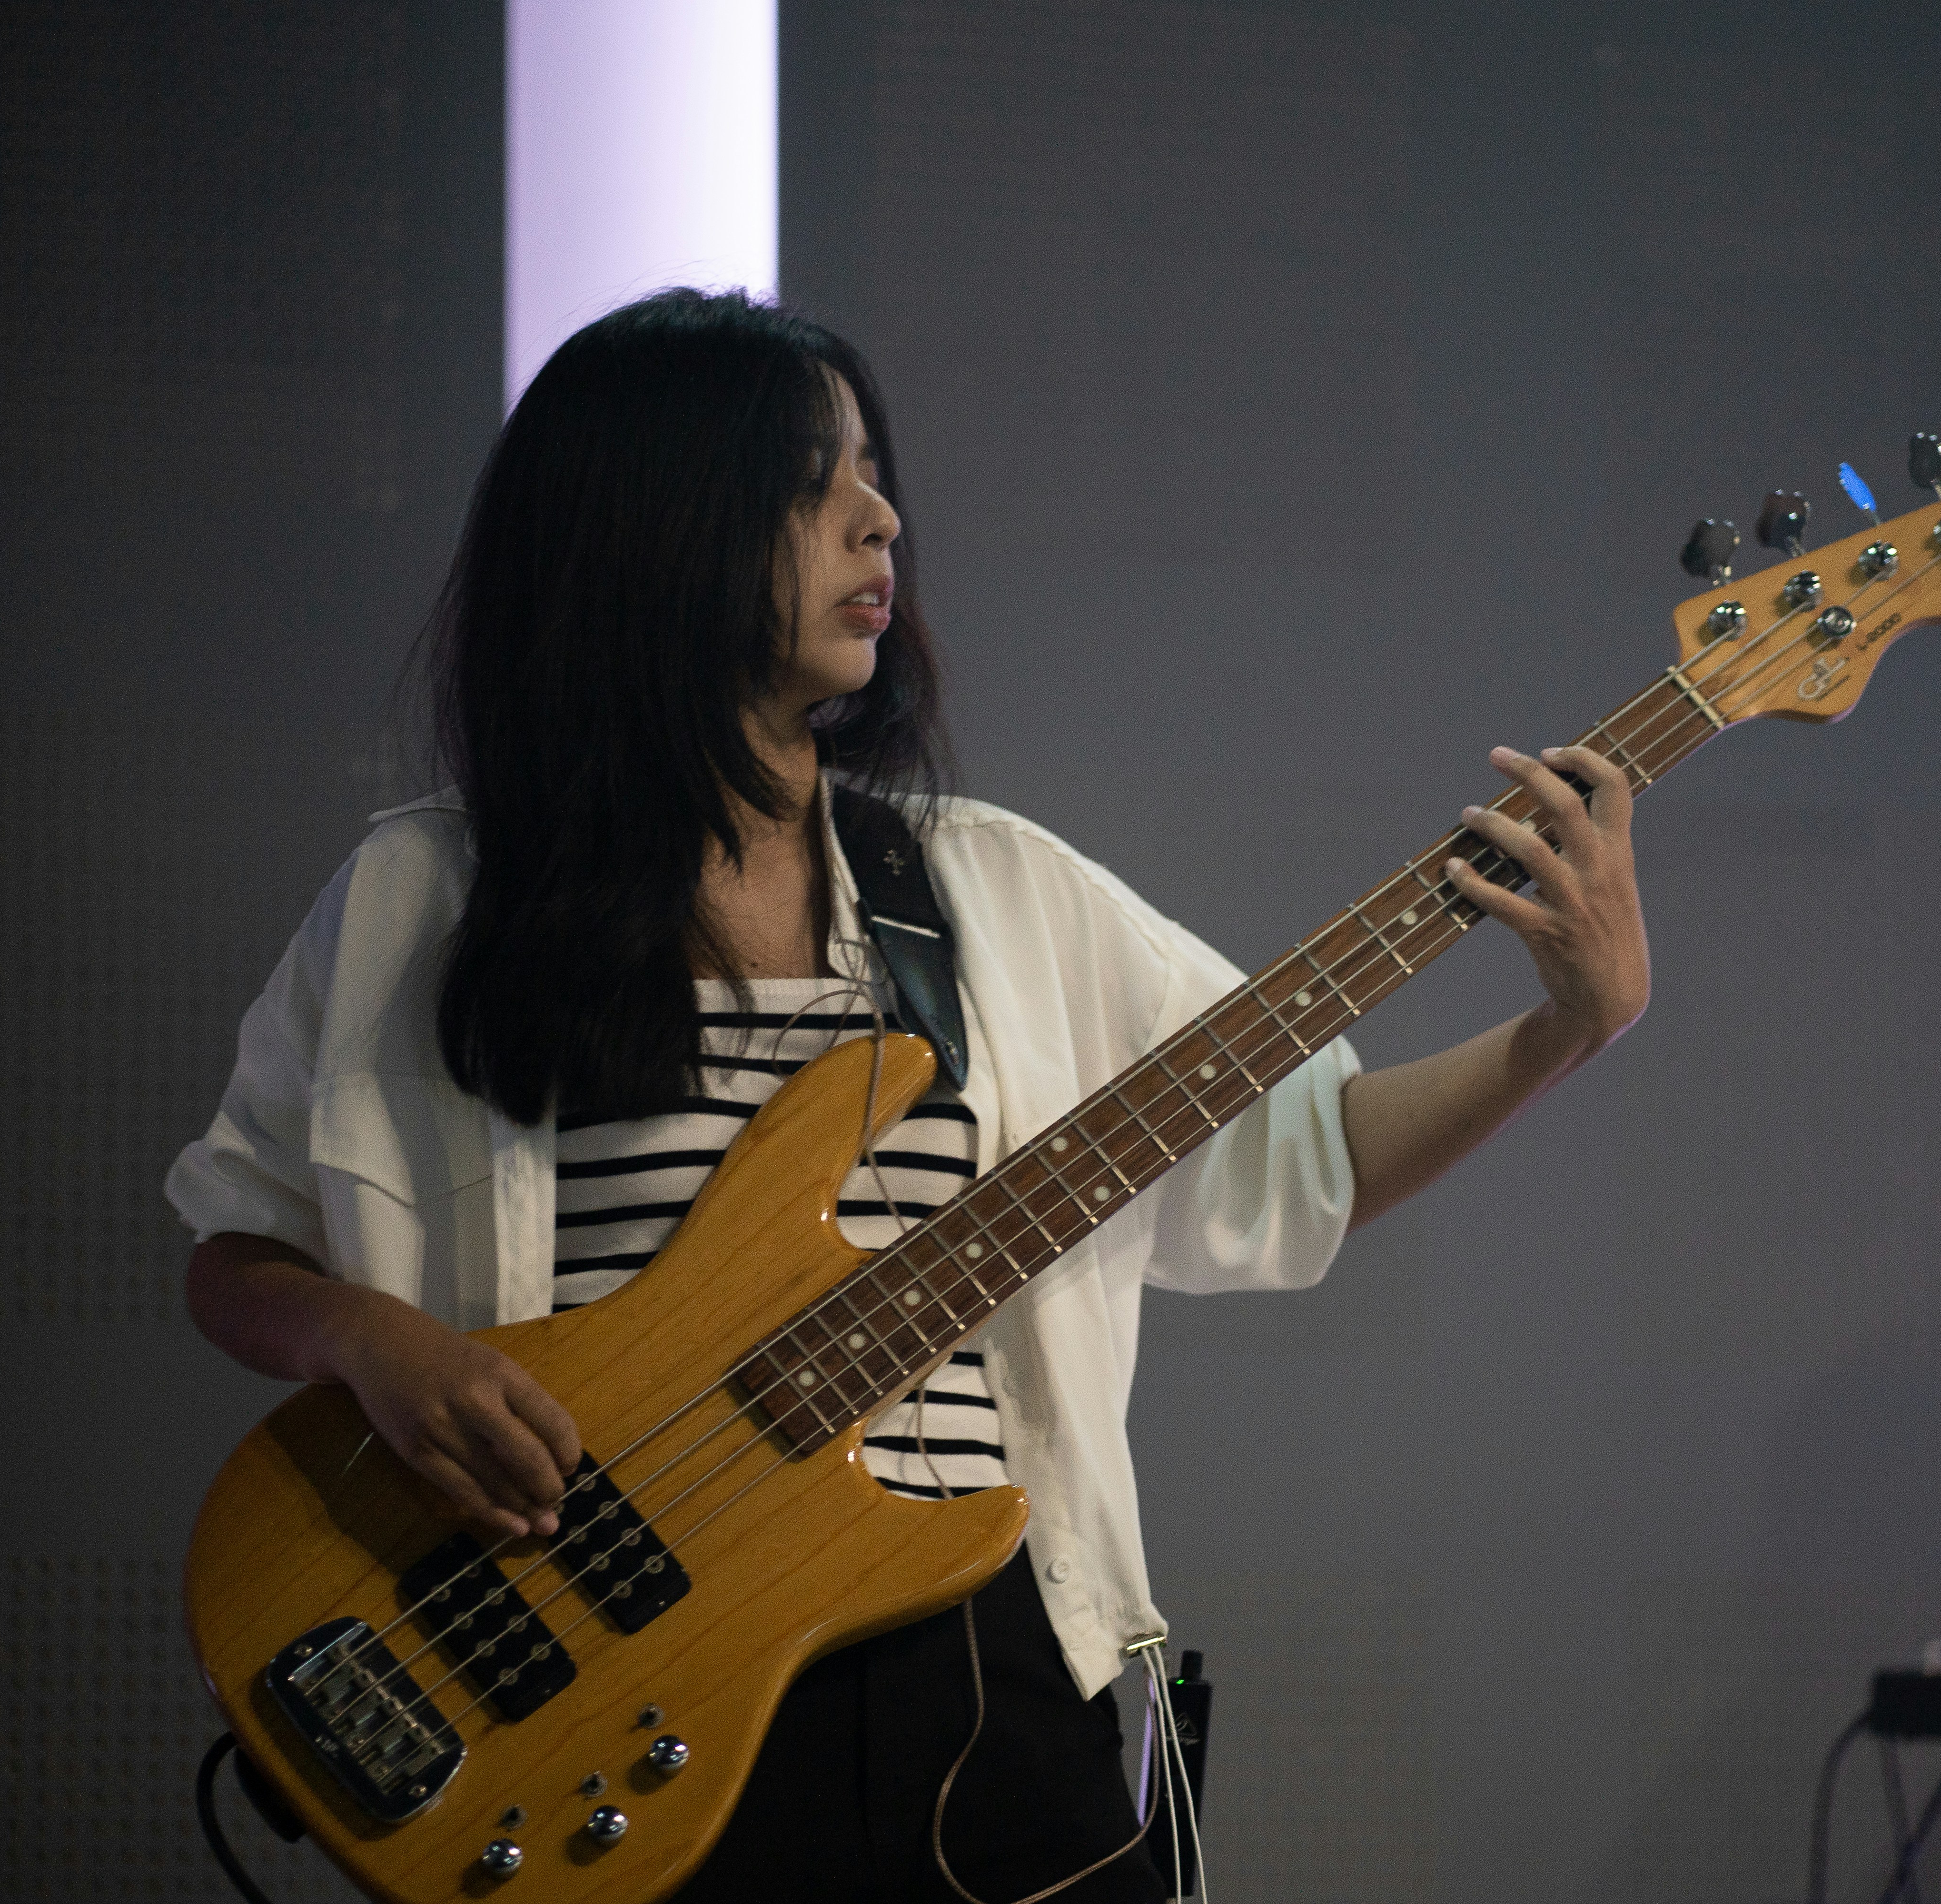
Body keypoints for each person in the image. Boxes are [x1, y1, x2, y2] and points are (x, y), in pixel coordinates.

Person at [169, 289, 1649, 1902]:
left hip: (984, 1685)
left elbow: (1313, 1156)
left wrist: (1569, 1029)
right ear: (651, 522)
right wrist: (370, 1345)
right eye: (814, 482)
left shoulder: (992, 888)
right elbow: (238, 1252)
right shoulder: (421, 899)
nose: (880, 519)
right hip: (598, 1674)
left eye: (875, 474)